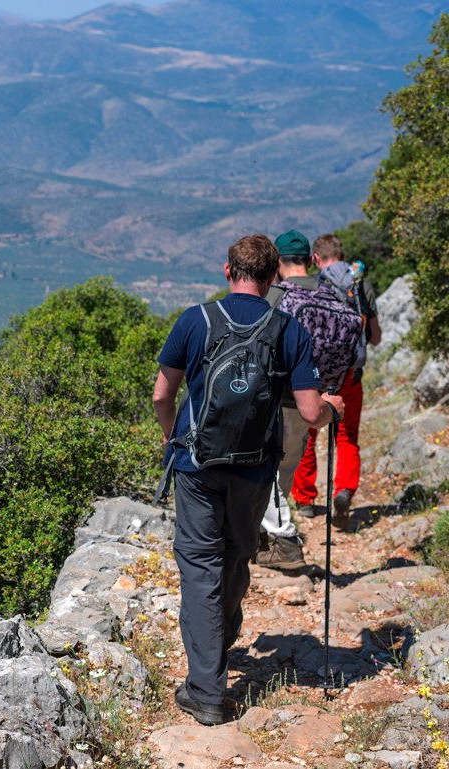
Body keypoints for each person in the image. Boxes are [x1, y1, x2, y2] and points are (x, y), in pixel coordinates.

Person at [153, 234, 344, 725]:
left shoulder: (195, 320)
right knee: (236, 554)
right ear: (274, 275)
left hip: (197, 466)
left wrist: (174, 435)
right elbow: (308, 411)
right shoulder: (288, 330)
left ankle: (207, 690)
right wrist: (331, 408)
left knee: (199, 566)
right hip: (256, 466)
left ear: (227, 271)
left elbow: (161, 394)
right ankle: (221, 637)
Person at [291, 233, 381, 531]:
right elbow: (376, 336)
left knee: (309, 432)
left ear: (315, 259)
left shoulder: (318, 285)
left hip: (318, 375)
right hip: (352, 376)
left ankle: (304, 499)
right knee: (347, 436)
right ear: (342, 255)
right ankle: (343, 490)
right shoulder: (361, 284)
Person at [255, 230, 322, 571]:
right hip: (312, 398)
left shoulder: (276, 297)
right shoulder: (332, 295)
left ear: (278, 264)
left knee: (265, 468)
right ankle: (268, 535)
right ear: (311, 260)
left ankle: (284, 540)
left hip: (276, 397)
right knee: (285, 469)